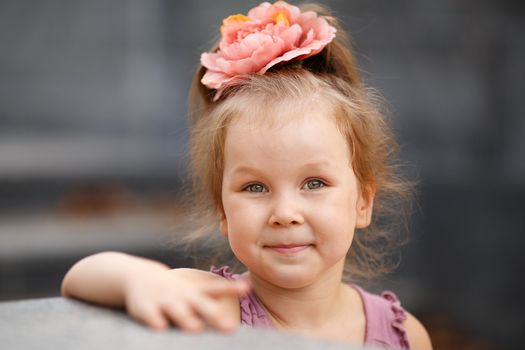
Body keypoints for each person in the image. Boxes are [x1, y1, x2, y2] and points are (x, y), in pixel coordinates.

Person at [61, 2, 432, 349]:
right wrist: (142, 280)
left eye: (314, 183)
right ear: (223, 210)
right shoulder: (215, 309)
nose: (285, 213)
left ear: (362, 201)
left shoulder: (405, 336)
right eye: (255, 187)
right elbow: (80, 277)